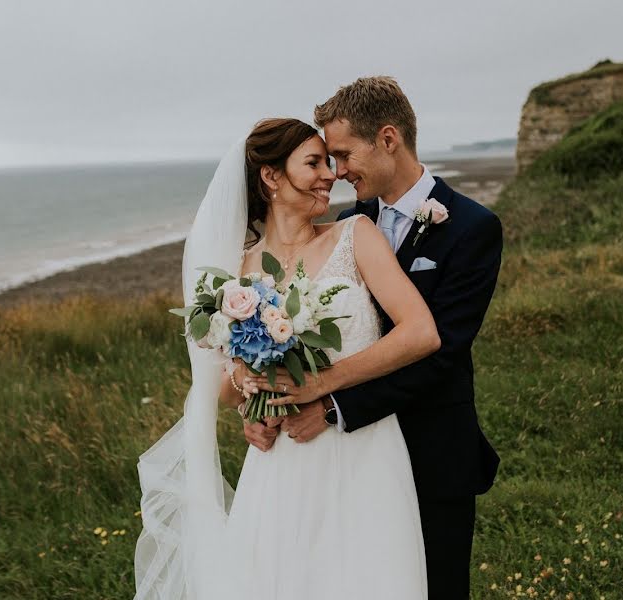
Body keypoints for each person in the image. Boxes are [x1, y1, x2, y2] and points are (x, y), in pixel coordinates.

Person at [133, 117, 440, 600]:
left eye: (330, 162)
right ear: (272, 177)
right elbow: (225, 389)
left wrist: (322, 384)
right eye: (314, 163)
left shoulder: (355, 235)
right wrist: (251, 396)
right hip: (281, 464)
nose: (330, 174)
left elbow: (421, 333)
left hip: (364, 451)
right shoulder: (235, 273)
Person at [246, 76, 503, 600]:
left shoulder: (473, 227)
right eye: (327, 160)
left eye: (342, 155)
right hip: (344, 460)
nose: (337, 174)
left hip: (431, 447)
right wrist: (263, 405)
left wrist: (331, 402)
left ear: (388, 139)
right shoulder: (348, 224)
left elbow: (441, 352)